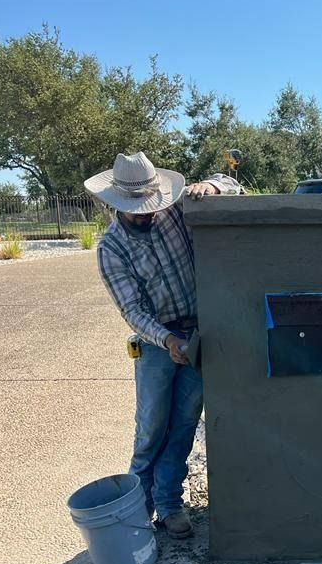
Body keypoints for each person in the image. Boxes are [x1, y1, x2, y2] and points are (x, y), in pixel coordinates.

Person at [85, 152, 240, 538]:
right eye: (135, 209)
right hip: (156, 340)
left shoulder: (174, 211)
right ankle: (138, 512)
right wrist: (167, 339)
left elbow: (234, 184)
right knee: (151, 427)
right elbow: (132, 310)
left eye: (148, 206)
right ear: (117, 205)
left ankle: (169, 503)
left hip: (199, 333)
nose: (144, 214)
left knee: (184, 423)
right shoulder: (111, 249)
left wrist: (214, 186)